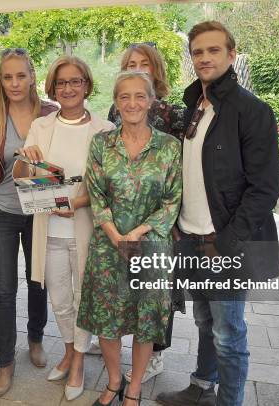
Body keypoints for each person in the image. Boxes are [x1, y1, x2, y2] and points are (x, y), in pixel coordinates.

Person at [155, 21, 279, 406]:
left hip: (225, 243)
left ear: (231, 54)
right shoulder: (194, 106)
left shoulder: (252, 111)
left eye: (213, 50)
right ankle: (201, 386)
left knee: (229, 332)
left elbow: (264, 190)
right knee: (205, 321)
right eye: (198, 52)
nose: (205, 58)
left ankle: (230, 401)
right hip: (191, 237)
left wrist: (226, 242)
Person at [78, 71, 182, 406]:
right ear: (116, 102)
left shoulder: (169, 147)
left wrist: (135, 234)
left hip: (151, 247)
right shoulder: (101, 143)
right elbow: (96, 196)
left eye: (140, 96)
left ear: (152, 100)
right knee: (107, 321)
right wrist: (116, 235)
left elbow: (172, 200)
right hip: (108, 248)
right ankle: (113, 381)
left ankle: (134, 387)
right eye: (125, 97)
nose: (132, 103)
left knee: (145, 321)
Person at [18, 55, 115, 401]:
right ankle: (70, 350)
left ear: (87, 85)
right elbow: (26, 179)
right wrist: (28, 164)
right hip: (50, 232)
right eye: (62, 82)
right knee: (59, 300)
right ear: (52, 88)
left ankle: (77, 364)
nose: (69, 88)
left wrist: (76, 203)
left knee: (82, 299)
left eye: (76, 81)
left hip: (86, 229)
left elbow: (109, 186)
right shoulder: (41, 127)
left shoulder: (104, 130)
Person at [0, 48, 58, 397]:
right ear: (1, 80)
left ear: (31, 76)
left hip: (40, 210)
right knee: (6, 291)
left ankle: (36, 339)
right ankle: (4, 363)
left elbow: (63, 163)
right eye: (7, 76)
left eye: (20, 75)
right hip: (2, 211)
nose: (14, 83)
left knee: (38, 281)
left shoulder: (51, 114)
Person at [107, 43, 185, 140]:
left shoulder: (174, 114)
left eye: (145, 64)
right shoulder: (116, 109)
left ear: (156, 70)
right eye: (132, 65)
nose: (138, 70)